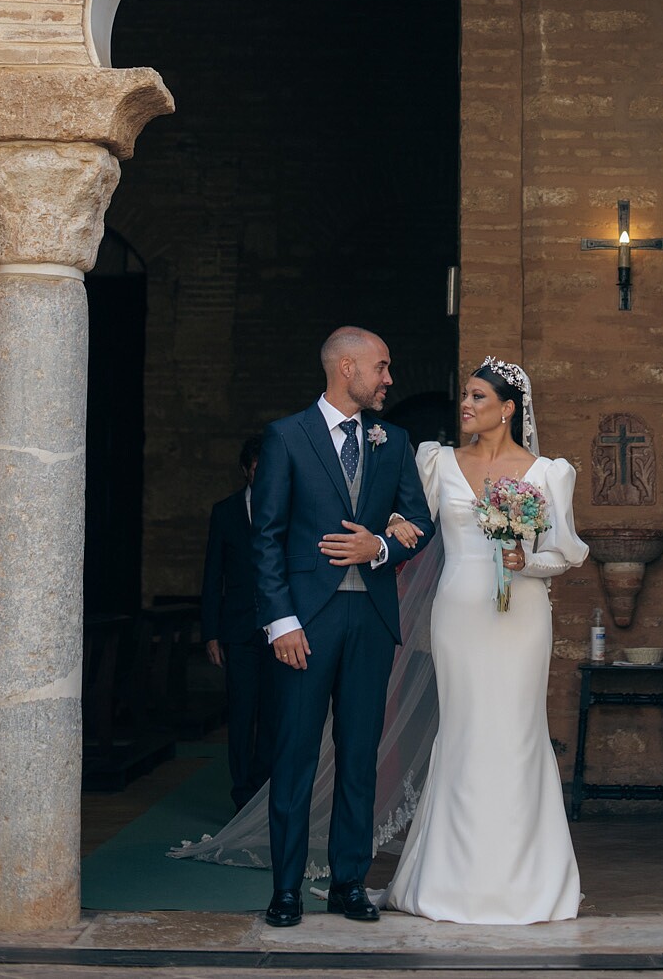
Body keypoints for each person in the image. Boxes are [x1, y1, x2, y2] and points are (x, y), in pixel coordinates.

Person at [382, 356, 589, 924]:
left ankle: (527, 883)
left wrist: (526, 560)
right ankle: (452, 880)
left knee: (519, 734)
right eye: (466, 396)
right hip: (458, 615)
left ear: (507, 409)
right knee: (466, 732)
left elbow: (566, 552)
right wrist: (384, 535)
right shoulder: (437, 462)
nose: (466, 406)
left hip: (520, 617)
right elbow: (411, 526)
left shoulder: (549, 473)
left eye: (477, 397)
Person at [251, 326, 435, 930]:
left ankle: (349, 884)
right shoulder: (286, 437)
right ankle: (285, 891)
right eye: (381, 368)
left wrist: (379, 546)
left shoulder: (395, 439)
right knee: (296, 754)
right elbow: (268, 536)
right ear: (347, 367)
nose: (389, 379)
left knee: (360, 756)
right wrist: (281, 622)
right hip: (306, 622)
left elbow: (421, 523)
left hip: (372, 621)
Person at [200, 434, 274, 810]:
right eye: (258, 469)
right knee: (242, 713)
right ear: (246, 471)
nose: (263, 476)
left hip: (280, 629)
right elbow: (213, 575)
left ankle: (265, 793)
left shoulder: (287, 509)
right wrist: (211, 632)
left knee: (273, 714)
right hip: (239, 630)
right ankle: (242, 797)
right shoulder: (225, 512)